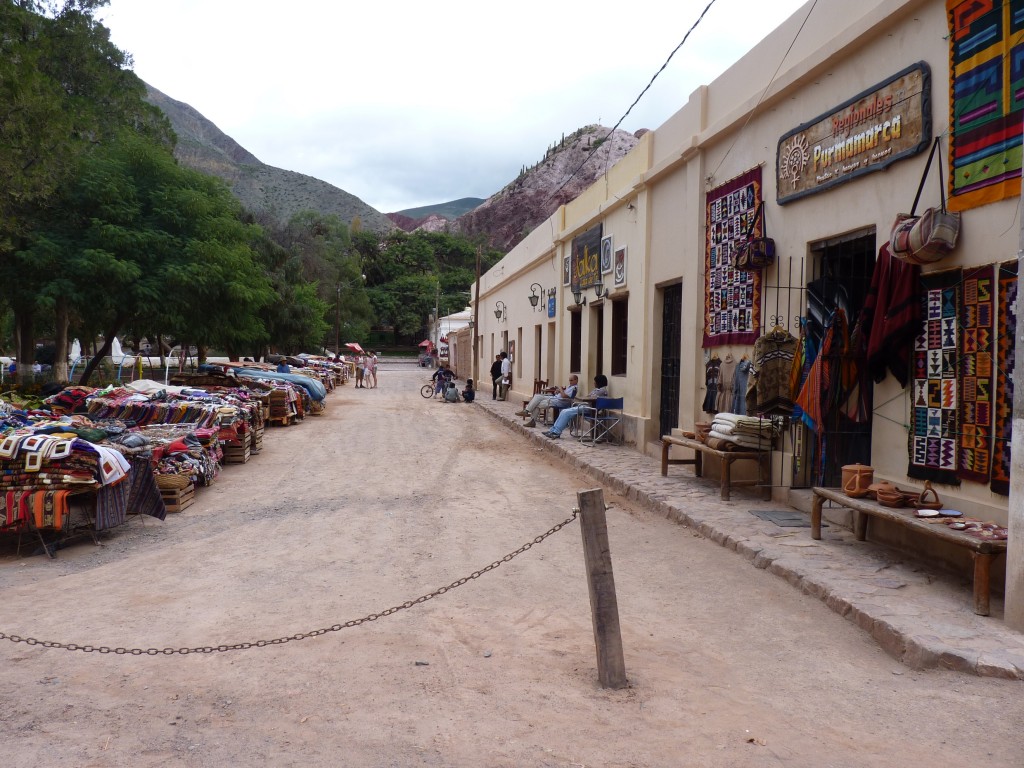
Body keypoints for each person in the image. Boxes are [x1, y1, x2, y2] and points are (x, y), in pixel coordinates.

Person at [543, 374, 609, 439]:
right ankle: (553, 430)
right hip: (587, 406)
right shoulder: (597, 390)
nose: (594, 383)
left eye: (595, 381)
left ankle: (556, 432)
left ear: (599, 382)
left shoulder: (602, 391)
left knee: (566, 412)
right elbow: (588, 397)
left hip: (591, 408)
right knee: (564, 411)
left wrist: (587, 397)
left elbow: (590, 398)